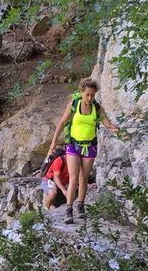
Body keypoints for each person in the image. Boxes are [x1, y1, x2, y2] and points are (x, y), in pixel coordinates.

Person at [47, 78, 120, 224]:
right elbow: (62, 123)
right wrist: (54, 142)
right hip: (73, 145)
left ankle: (80, 206)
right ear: (81, 93)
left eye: (92, 95)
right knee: (73, 178)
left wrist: (115, 129)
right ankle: (69, 210)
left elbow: (107, 123)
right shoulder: (74, 104)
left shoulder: (97, 108)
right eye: (87, 95)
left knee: (83, 179)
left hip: (90, 146)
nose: (89, 98)